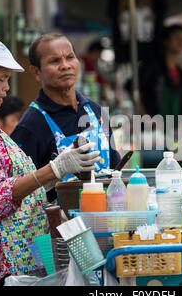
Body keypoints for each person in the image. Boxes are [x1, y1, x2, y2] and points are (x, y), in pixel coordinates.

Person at [0, 36, 100, 286]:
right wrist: (54, 168)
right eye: (1, 79)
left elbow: (9, 183)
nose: (6, 88)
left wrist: (51, 179)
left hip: (15, 261)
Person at [10, 33, 121, 204]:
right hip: (59, 225)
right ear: (36, 72)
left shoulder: (96, 111)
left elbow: (115, 168)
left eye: (70, 57)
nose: (65, 66)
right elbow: (17, 192)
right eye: (54, 61)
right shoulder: (31, 125)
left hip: (105, 221)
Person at [137, 24, 182, 117]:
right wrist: (146, 119)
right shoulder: (151, 67)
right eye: (177, 37)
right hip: (150, 128)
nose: (181, 42)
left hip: (174, 129)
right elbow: (135, 92)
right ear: (166, 41)